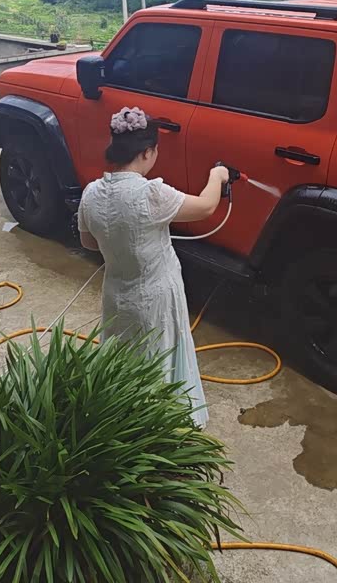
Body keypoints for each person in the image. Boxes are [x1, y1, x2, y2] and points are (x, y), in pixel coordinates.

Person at [77, 105, 229, 430]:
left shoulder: (91, 193)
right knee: (160, 358)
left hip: (116, 294)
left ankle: (124, 424)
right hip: (155, 295)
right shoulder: (150, 193)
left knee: (122, 358)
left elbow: (88, 242)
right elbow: (206, 207)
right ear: (147, 152)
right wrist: (217, 176)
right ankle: (160, 429)